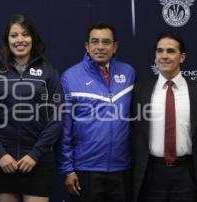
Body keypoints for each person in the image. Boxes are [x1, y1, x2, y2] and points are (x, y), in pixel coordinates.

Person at [0, 14, 62, 202]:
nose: (20, 40)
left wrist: (35, 154)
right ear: (7, 40)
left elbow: (57, 117)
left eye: (25, 34)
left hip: (37, 162)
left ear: (32, 37)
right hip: (4, 162)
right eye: (14, 35)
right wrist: (0, 154)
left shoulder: (49, 72)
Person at [58, 22, 136, 202]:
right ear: (87, 46)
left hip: (121, 169)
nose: (100, 47)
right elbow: (65, 128)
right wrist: (68, 169)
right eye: (95, 42)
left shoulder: (128, 72)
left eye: (106, 42)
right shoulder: (70, 77)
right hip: (86, 170)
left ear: (115, 47)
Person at [132, 33, 197, 202]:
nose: (164, 56)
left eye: (170, 51)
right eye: (159, 51)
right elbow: (133, 129)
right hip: (152, 174)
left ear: (182, 57)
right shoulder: (140, 91)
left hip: (188, 174)